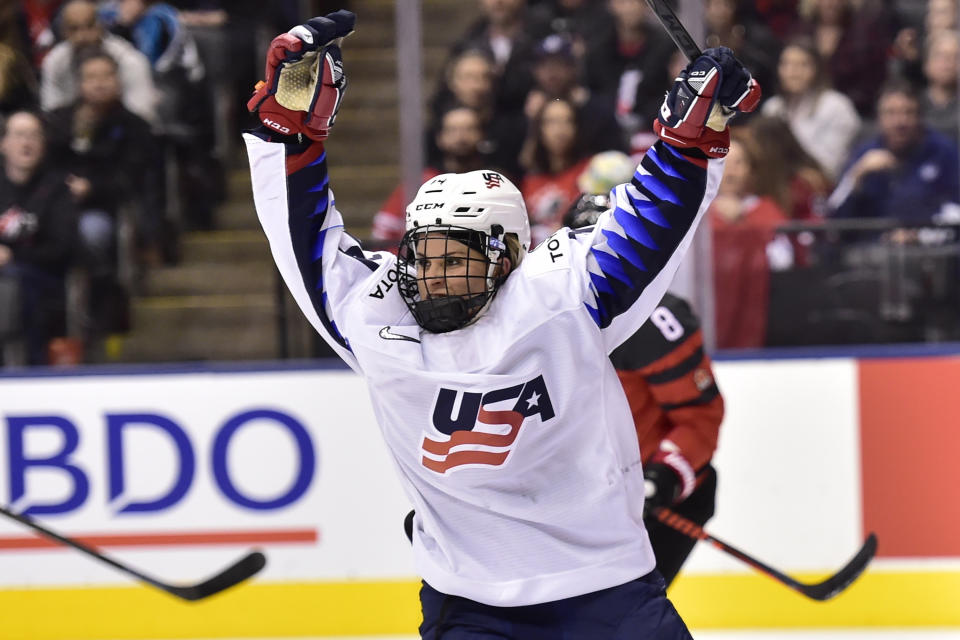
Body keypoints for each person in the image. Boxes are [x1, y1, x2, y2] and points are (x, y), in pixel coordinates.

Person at [245, 11, 758, 638]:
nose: (433, 276)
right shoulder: (375, 313)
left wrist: (689, 141)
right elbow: (300, 237)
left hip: (605, 586)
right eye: (424, 254)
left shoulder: (561, 297)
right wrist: (287, 132)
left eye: (456, 258)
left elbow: (646, 227)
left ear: (509, 257)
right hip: (467, 601)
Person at [563, 193, 725, 587]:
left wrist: (663, 476)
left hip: (648, 501)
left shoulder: (658, 321)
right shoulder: (541, 314)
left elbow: (698, 416)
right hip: (574, 503)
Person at [0, 110, 77, 365]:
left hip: (42, 278)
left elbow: (62, 248)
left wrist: (12, 256)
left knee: (12, 283)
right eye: (20, 135)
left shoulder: (57, 188)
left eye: (34, 136)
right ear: (4, 143)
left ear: (43, 145)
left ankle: (22, 367)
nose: (26, 143)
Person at [828, 81, 960, 222]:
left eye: (908, 112)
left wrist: (922, 234)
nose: (900, 122)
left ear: (920, 117)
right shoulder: (864, 155)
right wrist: (856, 177)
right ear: (879, 119)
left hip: (930, 241)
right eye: (891, 113)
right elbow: (834, 217)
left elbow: (955, 208)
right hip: (872, 241)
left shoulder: (944, 152)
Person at [40, 0, 158, 125]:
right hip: (74, 133)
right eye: (74, 29)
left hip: (123, 134)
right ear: (64, 32)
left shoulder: (131, 62)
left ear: (101, 26)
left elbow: (142, 118)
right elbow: (51, 115)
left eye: (89, 26)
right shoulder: (55, 62)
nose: (82, 36)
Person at [760, 37, 860, 180]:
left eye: (803, 64)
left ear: (817, 69)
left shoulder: (837, 106)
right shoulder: (773, 107)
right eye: (786, 64)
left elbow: (829, 168)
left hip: (819, 187)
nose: (793, 71)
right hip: (775, 183)